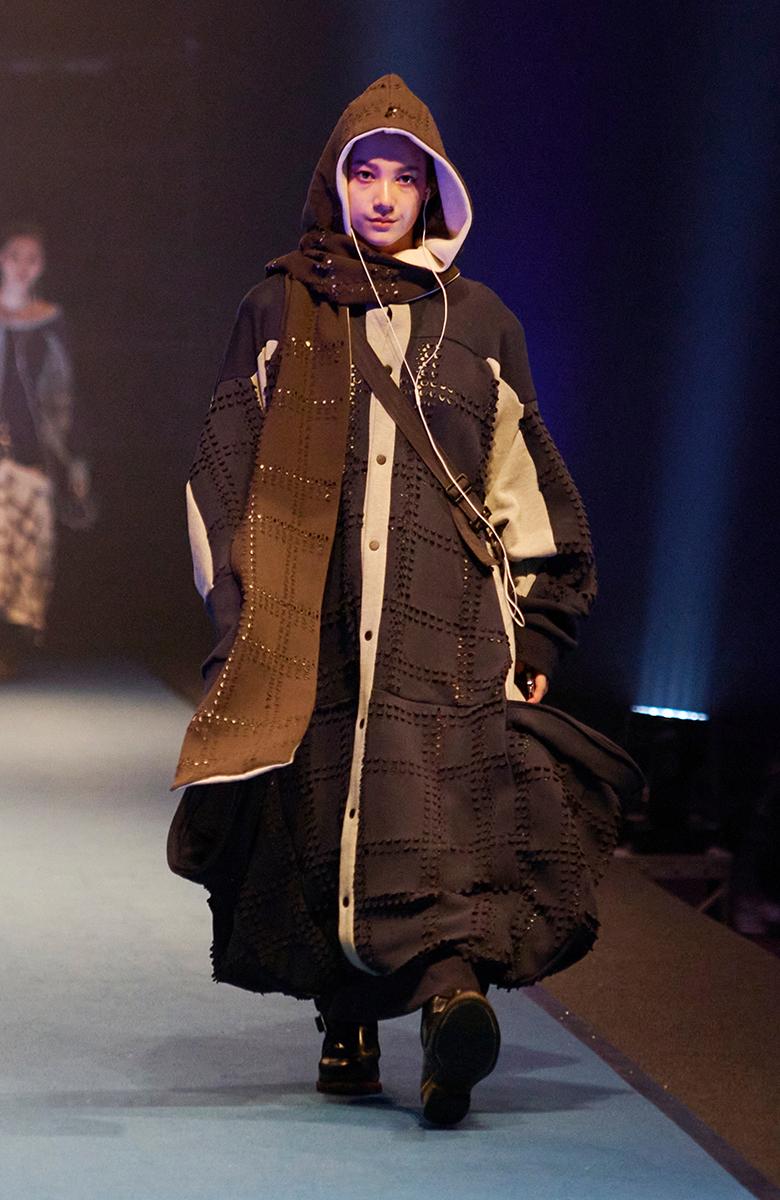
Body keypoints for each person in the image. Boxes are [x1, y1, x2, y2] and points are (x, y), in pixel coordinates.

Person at [168, 75, 612, 1126]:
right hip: (310, 623)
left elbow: (519, 480)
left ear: (433, 192)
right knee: (327, 819)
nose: (379, 195)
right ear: (335, 183)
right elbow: (223, 467)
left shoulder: (480, 321)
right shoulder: (279, 305)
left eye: (402, 178)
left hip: (445, 628)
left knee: (440, 823)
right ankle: (348, 1020)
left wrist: (540, 628)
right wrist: (237, 615)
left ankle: (451, 1002)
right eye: (362, 173)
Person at [0, 224, 93, 678]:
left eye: (32, 259)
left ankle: (10, 650)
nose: (23, 266)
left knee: (23, 558)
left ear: (41, 267)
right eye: (15, 256)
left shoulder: (50, 320)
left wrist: (75, 461)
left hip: (30, 456)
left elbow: (65, 393)